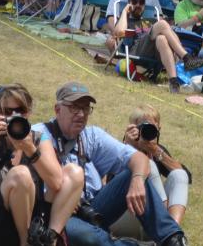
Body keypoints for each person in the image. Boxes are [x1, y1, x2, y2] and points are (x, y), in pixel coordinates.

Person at [38, 82, 187, 246]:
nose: (81, 114)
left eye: (86, 108)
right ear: (57, 110)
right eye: (74, 107)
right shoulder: (41, 134)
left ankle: (173, 240)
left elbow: (139, 159)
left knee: (136, 174)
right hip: (59, 214)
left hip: (93, 209)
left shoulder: (92, 136)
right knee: (89, 237)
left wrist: (137, 180)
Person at [0, 84, 83, 246]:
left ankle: (50, 239)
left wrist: (30, 149)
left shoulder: (38, 139)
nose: (14, 116)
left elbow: (57, 183)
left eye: (20, 110)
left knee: (74, 172)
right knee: (20, 174)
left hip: (30, 219)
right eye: (8, 112)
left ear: (28, 112)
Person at [112, 0, 203, 93]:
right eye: (134, 2)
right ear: (129, 3)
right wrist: (125, 12)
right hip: (136, 50)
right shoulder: (125, 20)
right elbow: (119, 33)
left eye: (141, 2)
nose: (138, 5)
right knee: (163, 24)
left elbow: (173, 37)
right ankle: (187, 58)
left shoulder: (150, 21)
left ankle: (173, 82)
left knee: (162, 38)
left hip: (154, 53)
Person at [121, 106, 189, 226]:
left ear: (158, 129)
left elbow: (186, 176)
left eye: (151, 127)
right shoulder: (121, 150)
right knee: (147, 164)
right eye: (142, 127)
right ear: (132, 128)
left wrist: (155, 151)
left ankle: (173, 232)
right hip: (127, 213)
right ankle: (167, 231)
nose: (147, 130)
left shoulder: (156, 151)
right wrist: (130, 148)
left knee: (179, 175)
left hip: (150, 216)